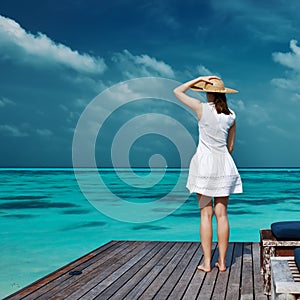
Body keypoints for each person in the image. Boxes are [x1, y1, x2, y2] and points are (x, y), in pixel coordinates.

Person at [174, 75, 243, 272]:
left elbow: (177, 91)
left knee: (206, 214)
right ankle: (222, 262)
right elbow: (230, 147)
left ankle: (207, 262)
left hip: (204, 168)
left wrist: (198, 79)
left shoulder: (201, 108)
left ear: (208, 92)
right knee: (222, 214)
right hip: (224, 166)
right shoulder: (231, 115)